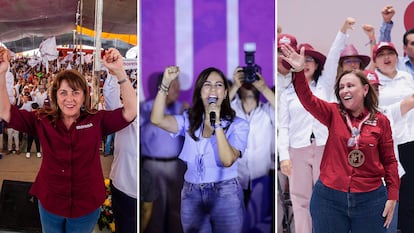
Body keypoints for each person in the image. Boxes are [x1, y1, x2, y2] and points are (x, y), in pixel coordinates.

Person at [0, 47, 137, 233]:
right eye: (63, 93)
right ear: (55, 95)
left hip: (85, 207)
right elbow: (5, 112)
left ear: (84, 96)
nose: (69, 99)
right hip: (50, 204)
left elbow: (130, 112)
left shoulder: (96, 120)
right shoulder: (42, 120)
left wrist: (120, 72)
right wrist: (2, 73)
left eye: (75, 92)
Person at [280, 44, 399, 233]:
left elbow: (390, 161)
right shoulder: (333, 113)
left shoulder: (381, 121)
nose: (344, 90)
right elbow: (307, 99)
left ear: (365, 90)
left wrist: (393, 196)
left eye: (350, 85)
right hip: (329, 200)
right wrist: (299, 71)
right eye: (341, 87)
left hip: (370, 199)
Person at [151, 66, 249, 233]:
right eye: (207, 84)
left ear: (225, 93)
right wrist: (166, 83)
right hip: (192, 193)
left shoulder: (239, 124)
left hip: (225, 193)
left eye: (218, 85)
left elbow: (227, 160)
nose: (212, 89)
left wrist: (216, 123)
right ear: (200, 91)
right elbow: (157, 119)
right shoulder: (189, 119)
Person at [278, 43, 327, 233]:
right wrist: (284, 156)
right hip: (297, 149)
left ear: (316, 65)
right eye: (302, 59)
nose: (305, 64)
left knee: (324, 197)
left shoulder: (324, 88)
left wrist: (344, 30)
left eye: (310, 60)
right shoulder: (287, 94)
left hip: (323, 147)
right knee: (299, 199)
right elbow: (283, 126)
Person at [140, 72, 188, 233]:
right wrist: (157, 119)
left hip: (177, 166)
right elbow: (142, 138)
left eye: (178, 85)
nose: (177, 89)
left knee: (177, 210)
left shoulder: (182, 108)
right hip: (153, 166)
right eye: (173, 85)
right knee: (154, 211)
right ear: (163, 87)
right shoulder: (146, 108)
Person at [229, 67, 274, 206]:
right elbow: (214, 111)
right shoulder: (230, 109)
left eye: (253, 79)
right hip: (235, 180)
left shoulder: (267, 111)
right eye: (246, 79)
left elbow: (284, 111)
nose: (249, 83)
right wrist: (235, 85)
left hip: (261, 178)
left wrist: (264, 88)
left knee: (259, 226)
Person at [103, 71, 137, 233]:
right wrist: (113, 73)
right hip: (124, 189)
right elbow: (110, 97)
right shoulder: (125, 116)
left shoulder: (163, 120)